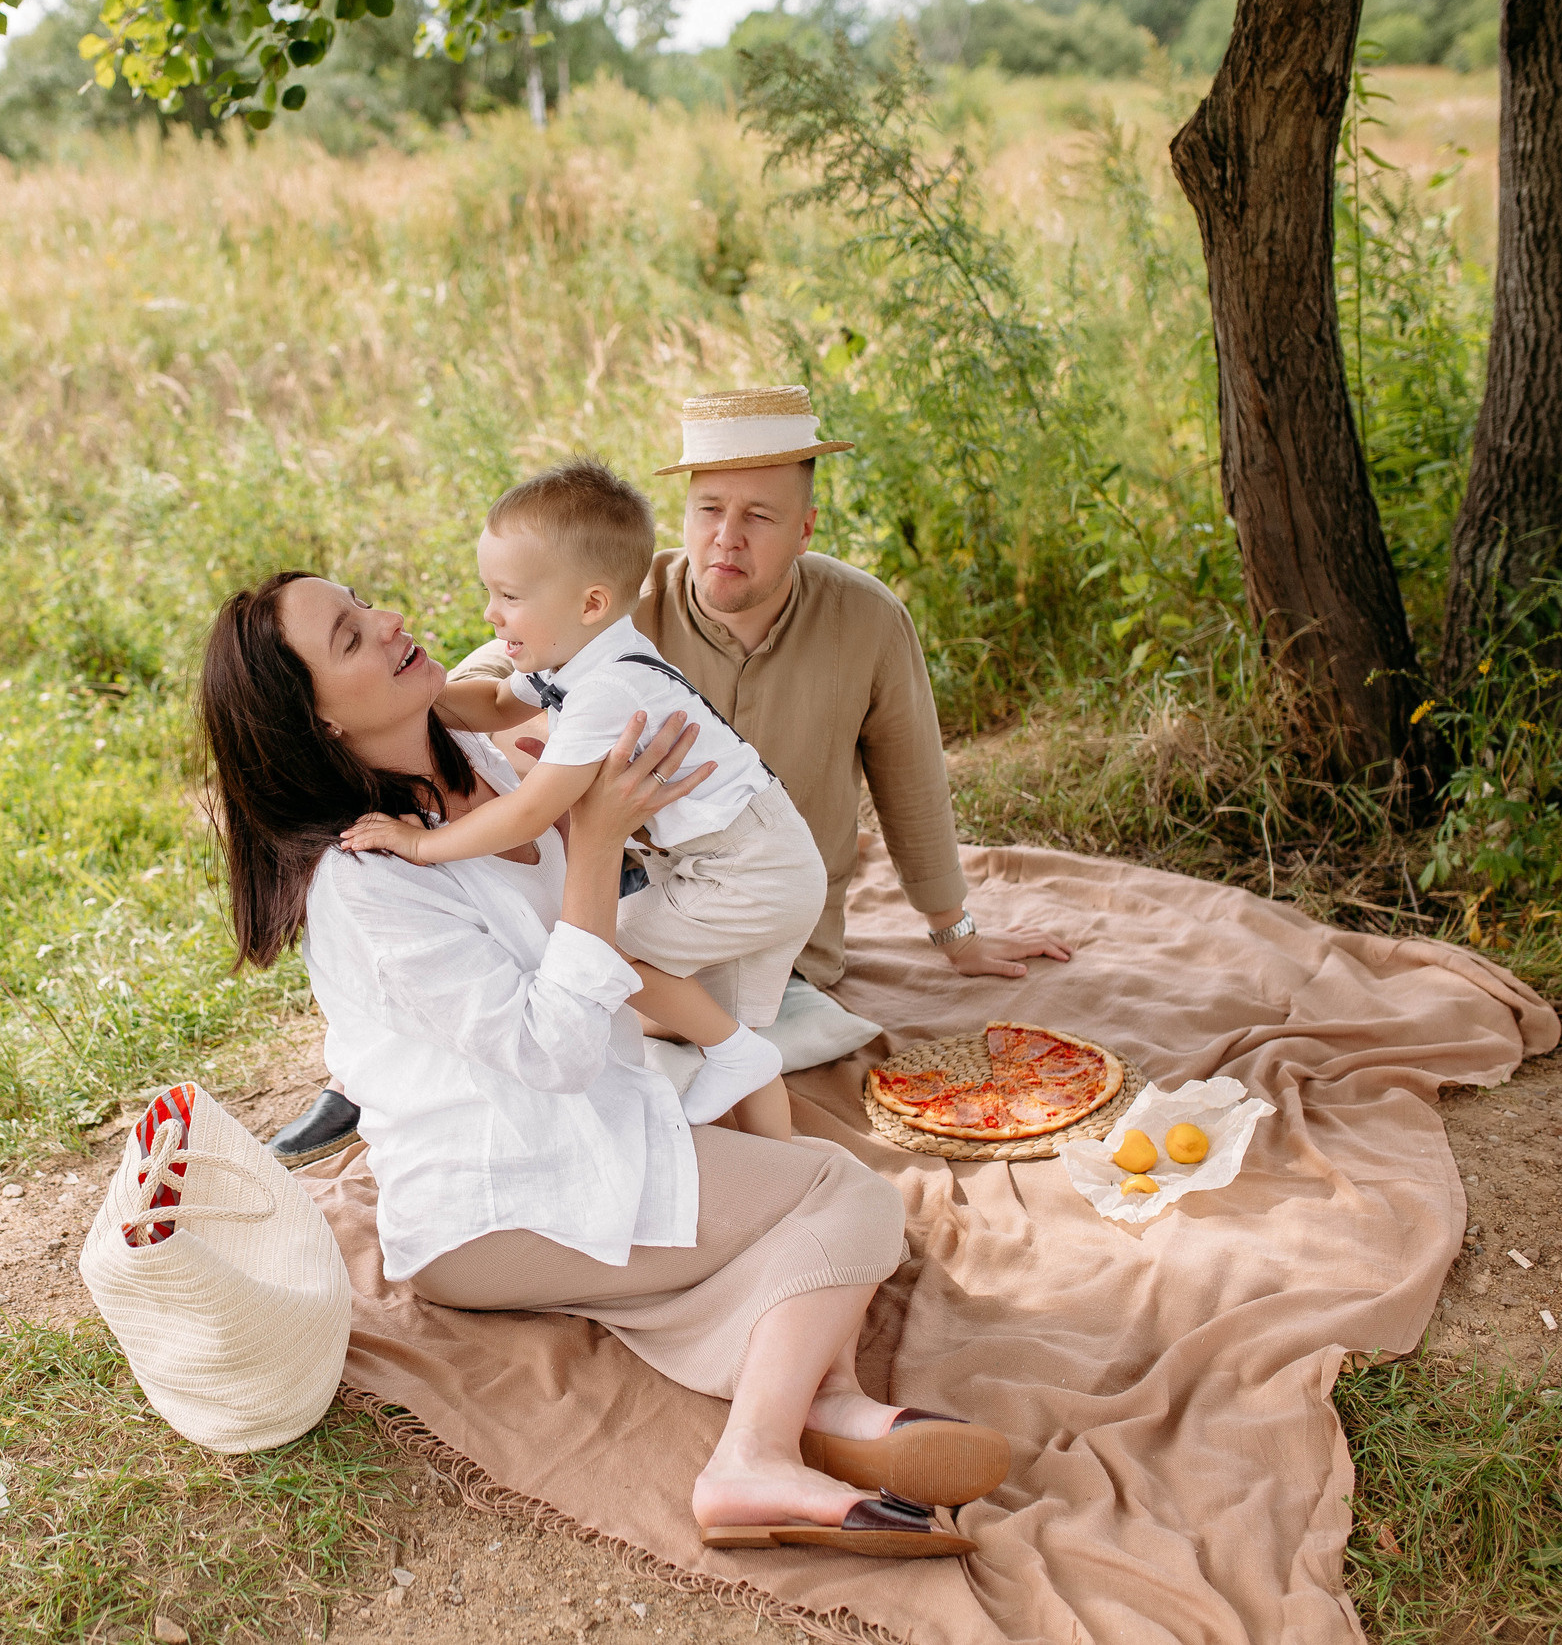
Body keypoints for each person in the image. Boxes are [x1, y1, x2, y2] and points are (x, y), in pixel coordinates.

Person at [199, 573, 1010, 1556]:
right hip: (489, 1197)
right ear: (315, 722)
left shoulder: (472, 762)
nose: (390, 623)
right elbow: (551, 1049)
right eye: (350, 637)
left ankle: (831, 1409)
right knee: (847, 1201)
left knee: (776, 1226)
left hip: (591, 1115)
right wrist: (595, 841)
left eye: (366, 604)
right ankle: (748, 1459)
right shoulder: (362, 888)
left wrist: (718, 1023)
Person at [268, 383, 1069, 1166]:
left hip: (770, 916)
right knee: (636, 1016)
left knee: (590, 974)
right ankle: (781, 1170)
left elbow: (914, 785)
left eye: (758, 516)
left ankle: (428, 1070)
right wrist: (396, 693)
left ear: (805, 528)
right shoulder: (624, 593)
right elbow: (498, 682)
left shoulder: (863, 617)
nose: (726, 537)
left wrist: (953, 928)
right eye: (708, 509)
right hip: (673, 899)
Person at [338, 461, 824, 1140]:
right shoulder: (588, 654)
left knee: (608, 952)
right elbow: (501, 702)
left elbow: (533, 809)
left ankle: (739, 1059)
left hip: (748, 867)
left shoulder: (604, 692)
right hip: (751, 855)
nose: (490, 613)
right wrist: (422, 696)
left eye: (507, 595)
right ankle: (784, 1155)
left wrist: (420, 843)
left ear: (590, 603)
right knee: (723, 1030)